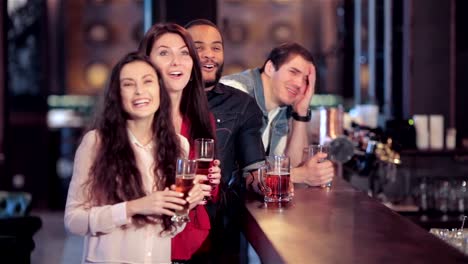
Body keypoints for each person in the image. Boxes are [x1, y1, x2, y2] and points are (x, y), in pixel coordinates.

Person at [64, 52, 205, 263]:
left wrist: (184, 208)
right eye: (128, 84)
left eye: (147, 81)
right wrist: (134, 207)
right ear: (117, 95)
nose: (139, 91)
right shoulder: (96, 143)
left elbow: (170, 230)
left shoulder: (179, 145)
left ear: (159, 88)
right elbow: (73, 220)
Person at [138, 23, 222, 262]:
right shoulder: (137, 118)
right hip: (147, 240)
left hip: (192, 240)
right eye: (164, 52)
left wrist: (213, 180)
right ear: (146, 62)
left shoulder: (201, 117)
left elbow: (206, 195)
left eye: (184, 53)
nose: (177, 61)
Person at [185, 19, 266, 263]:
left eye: (216, 47)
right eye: (198, 48)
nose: (209, 55)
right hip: (165, 221)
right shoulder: (161, 101)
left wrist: (267, 183)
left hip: (217, 229)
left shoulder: (242, 105)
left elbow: (254, 171)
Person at [221, 42, 335, 187]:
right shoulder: (234, 92)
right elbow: (236, 174)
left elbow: (292, 165)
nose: (300, 84)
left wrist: (300, 113)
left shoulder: (281, 108)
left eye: (306, 79)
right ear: (270, 68)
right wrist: (301, 174)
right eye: (293, 72)